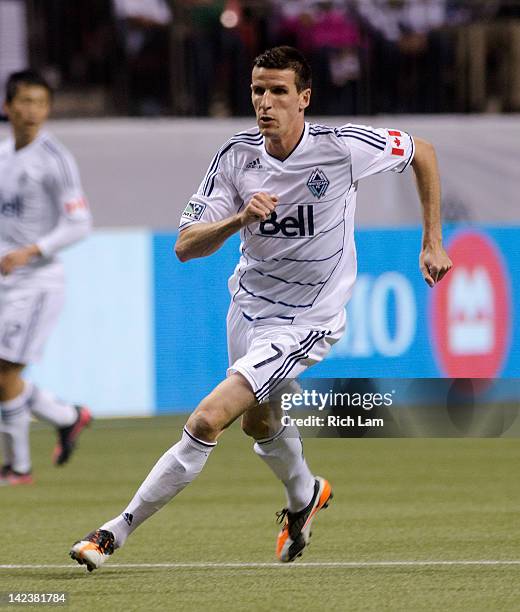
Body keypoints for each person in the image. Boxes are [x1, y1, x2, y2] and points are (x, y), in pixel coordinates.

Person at [70, 45, 452, 571]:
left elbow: (423, 151)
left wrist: (432, 241)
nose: (265, 103)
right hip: (248, 309)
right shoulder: (235, 157)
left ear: (305, 99)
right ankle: (306, 495)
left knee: (208, 419)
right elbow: (185, 246)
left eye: (278, 92)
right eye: (257, 91)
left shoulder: (343, 148)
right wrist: (238, 221)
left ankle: (114, 531)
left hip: (309, 319)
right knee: (259, 422)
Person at [0, 70, 93, 485]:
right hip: (7, 279)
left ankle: (18, 467)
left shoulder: (54, 158)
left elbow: (80, 223)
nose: (32, 110)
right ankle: (68, 416)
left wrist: (31, 251)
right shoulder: (4, 155)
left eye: (40, 102)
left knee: (4, 374)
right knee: (4, 375)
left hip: (37, 282)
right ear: (8, 107)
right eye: (24, 101)